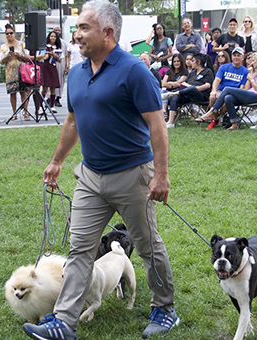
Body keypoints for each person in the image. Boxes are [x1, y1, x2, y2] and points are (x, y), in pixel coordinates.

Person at [22, 1, 176, 339]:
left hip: (133, 175)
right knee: (80, 248)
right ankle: (64, 321)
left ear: (108, 33)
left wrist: (161, 175)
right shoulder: (76, 73)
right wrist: (57, 160)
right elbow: (73, 121)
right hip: (90, 176)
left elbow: (157, 126)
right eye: (77, 28)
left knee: (148, 245)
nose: (76, 35)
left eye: (83, 28)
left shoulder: (135, 71)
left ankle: (165, 308)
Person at [205, 51, 257, 130]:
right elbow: (247, 89)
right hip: (250, 95)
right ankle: (234, 123)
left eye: (254, 60)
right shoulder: (256, 73)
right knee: (228, 98)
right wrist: (250, 75)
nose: (252, 63)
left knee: (227, 89)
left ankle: (213, 111)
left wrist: (251, 79)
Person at [196, 47, 249, 129]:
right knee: (213, 96)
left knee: (227, 98)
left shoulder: (245, 71)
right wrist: (213, 91)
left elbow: (241, 88)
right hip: (220, 91)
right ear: (231, 57)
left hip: (233, 93)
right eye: (234, 55)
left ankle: (212, 115)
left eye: (239, 55)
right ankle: (215, 117)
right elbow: (216, 80)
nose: (236, 57)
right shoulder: (224, 67)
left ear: (242, 57)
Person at [162, 53, 213, 128]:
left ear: (198, 62)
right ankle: (170, 122)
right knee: (176, 97)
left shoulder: (208, 71)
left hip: (201, 95)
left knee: (192, 89)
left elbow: (207, 85)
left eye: (193, 61)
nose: (190, 63)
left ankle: (172, 93)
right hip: (189, 95)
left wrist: (193, 88)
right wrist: (190, 87)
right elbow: (183, 83)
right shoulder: (192, 73)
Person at [0, 23, 32, 121]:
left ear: (14, 33)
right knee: (12, 93)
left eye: (11, 33)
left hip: (22, 71)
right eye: (7, 34)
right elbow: (1, 61)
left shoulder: (21, 44)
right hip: (10, 73)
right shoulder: (3, 47)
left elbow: (28, 57)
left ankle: (25, 112)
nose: (9, 35)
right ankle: (14, 113)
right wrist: (7, 56)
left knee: (24, 92)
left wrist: (19, 56)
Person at [35, 31, 62, 114]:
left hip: (53, 67)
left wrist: (55, 55)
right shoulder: (45, 47)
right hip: (45, 67)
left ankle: (52, 106)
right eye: (51, 36)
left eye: (54, 36)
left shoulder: (57, 47)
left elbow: (60, 60)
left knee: (53, 88)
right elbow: (40, 58)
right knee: (45, 88)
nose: (53, 38)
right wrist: (47, 55)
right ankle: (39, 107)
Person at [53, 26, 68, 107]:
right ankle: (50, 98)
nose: (57, 32)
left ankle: (58, 98)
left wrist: (66, 66)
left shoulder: (64, 43)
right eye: (56, 30)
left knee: (60, 80)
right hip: (51, 63)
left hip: (61, 63)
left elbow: (66, 55)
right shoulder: (49, 42)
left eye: (59, 30)